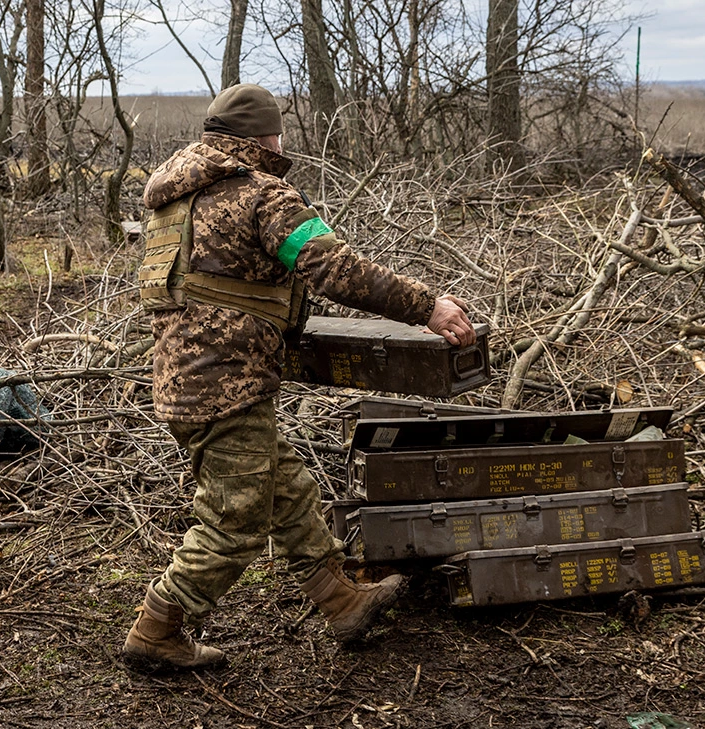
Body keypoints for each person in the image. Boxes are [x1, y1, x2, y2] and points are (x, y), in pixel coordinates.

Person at [123, 83, 476, 670]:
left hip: (184, 382)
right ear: (268, 136)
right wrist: (428, 305)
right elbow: (334, 268)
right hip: (227, 387)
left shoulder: (172, 203)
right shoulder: (263, 195)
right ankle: (157, 627)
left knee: (288, 491)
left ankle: (340, 601)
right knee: (234, 525)